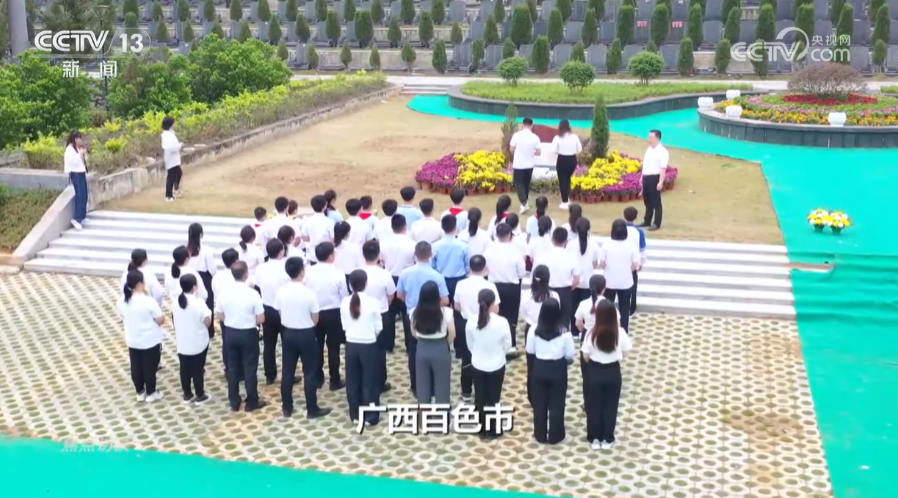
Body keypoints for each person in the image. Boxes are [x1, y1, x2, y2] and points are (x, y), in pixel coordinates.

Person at [274, 256, 332, 419]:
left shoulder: (281, 291)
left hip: (288, 333)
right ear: (301, 272)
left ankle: (287, 407)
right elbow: (315, 318)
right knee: (310, 372)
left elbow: (279, 312)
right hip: (306, 334)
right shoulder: (309, 293)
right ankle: (312, 408)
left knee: (287, 371)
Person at [396, 242, 449, 397]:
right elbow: (445, 300)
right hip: (434, 315)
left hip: (412, 316)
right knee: (435, 350)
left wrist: (412, 303)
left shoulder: (405, 273)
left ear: (415, 255)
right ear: (430, 254)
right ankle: (433, 385)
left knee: (413, 351)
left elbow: (400, 295)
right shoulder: (437, 275)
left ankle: (416, 386)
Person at [582, 299, 633, 450]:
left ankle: (594, 438)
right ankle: (607, 438)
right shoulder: (620, 333)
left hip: (594, 371)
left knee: (593, 405)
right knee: (610, 406)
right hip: (613, 371)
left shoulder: (591, 333)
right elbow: (626, 352)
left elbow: (585, 355)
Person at [216, 261, 266, 412]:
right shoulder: (253, 294)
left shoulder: (224, 292)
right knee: (250, 367)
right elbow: (261, 318)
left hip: (230, 332)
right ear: (246, 274)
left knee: (232, 368)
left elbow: (220, 315)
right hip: (248, 333)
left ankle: (234, 401)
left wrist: (232, 320)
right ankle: (251, 401)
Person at [526, 298, 575, 444]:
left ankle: (540, 435)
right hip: (558, 368)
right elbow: (570, 354)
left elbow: (530, 350)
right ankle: (556, 436)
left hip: (539, 367)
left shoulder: (533, 329)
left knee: (539, 404)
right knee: (557, 403)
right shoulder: (564, 331)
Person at [466, 288, 511, 439]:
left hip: (477, 364)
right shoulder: (502, 322)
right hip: (497, 365)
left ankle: (481, 428)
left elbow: (470, 344)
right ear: (493, 304)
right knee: (494, 398)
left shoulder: (471, 321)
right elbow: (507, 345)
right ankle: (493, 430)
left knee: (479, 397)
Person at [304, 242, 349, 391]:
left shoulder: (308, 272)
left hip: (314, 312)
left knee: (316, 346)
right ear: (330, 256)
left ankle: (318, 378)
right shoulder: (338, 273)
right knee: (333, 347)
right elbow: (344, 296)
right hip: (333, 313)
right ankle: (334, 380)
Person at [342, 269, 384, 426]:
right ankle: (371, 416)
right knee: (370, 381)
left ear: (350, 284)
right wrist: (370, 335)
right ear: (366, 284)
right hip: (369, 344)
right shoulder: (373, 302)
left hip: (351, 344)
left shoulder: (344, 302)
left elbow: (344, 325)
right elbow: (378, 327)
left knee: (352, 380)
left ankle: (355, 414)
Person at [454, 255, 498, 401]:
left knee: (467, 357)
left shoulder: (461, 284)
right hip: (486, 323)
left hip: (466, 324)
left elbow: (457, 306)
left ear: (470, 267)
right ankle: (484, 389)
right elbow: (495, 309)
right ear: (485, 268)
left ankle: (466, 390)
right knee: (485, 355)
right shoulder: (490, 286)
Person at [119, 270, 166, 402]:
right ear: (140, 283)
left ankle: (140, 391)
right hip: (149, 340)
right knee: (150, 367)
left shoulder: (122, 300)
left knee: (136, 366)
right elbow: (160, 319)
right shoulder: (148, 301)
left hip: (133, 338)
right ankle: (151, 392)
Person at [360, 240, 396, 393]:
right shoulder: (385, 274)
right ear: (378, 254)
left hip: (361, 313)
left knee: (364, 348)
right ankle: (380, 382)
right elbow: (390, 294)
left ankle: (365, 380)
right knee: (380, 350)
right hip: (381, 313)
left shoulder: (358, 272)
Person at [255, 239, 291, 385]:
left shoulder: (261, 268)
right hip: (284, 309)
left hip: (267, 308)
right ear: (281, 251)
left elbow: (257, 285)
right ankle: (288, 374)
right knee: (287, 344)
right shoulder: (286, 267)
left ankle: (270, 374)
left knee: (269, 344)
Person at [521, 264, 558, 405]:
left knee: (531, 365)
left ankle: (533, 397)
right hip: (551, 329)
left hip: (531, 329)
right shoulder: (554, 296)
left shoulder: (526, 296)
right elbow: (556, 312)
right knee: (550, 361)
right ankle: (549, 394)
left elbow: (524, 314)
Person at [172, 273, 212, 404]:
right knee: (197, 369)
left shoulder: (175, 302)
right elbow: (208, 322)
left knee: (184, 368)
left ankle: (187, 394)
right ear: (194, 287)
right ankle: (200, 394)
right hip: (198, 341)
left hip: (182, 341)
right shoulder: (199, 303)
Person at [413, 281, 455, 405]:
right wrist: (445, 344)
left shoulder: (415, 313)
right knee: (442, 385)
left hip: (422, 348)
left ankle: (424, 414)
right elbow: (452, 334)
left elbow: (414, 332)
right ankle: (442, 414)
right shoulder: (446, 312)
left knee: (422, 385)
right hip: (441, 348)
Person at [484, 223, 524, 353]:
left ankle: (494, 343)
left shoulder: (489, 251)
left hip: (493, 286)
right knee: (511, 317)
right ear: (510, 235)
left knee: (493, 315)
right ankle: (510, 345)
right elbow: (521, 273)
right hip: (512, 288)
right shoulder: (515, 251)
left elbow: (485, 269)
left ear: (496, 234)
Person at [380, 214, 416, 354]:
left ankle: (388, 345)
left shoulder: (384, 243)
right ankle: (409, 345)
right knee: (407, 313)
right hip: (406, 278)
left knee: (389, 314)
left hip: (390, 278)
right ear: (405, 227)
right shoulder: (411, 244)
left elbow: (382, 261)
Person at [599, 220, 641, 333]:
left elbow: (601, 263)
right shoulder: (631, 245)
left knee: (608, 308)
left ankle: (607, 330)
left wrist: (608, 268)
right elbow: (636, 264)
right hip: (626, 282)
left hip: (609, 282)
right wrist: (628, 270)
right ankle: (624, 331)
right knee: (624, 308)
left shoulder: (606, 244)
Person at [567, 217, 600, 337]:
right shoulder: (594, 245)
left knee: (573, 307)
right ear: (588, 229)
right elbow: (595, 264)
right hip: (588, 282)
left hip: (574, 281)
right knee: (586, 308)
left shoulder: (570, 245)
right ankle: (585, 332)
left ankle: (574, 332)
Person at [546, 227, 580, 333]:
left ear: (552, 239)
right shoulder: (571, 257)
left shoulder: (544, 256)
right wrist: (569, 289)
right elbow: (577, 279)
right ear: (566, 241)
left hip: (548, 290)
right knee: (564, 319)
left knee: (548, 317)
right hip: (565, 291)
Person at [211, 248, 239, 375]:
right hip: (236, 311)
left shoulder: (217, 277)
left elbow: (215, 293)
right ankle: (238, 368)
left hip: (223, 312)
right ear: (236, 260)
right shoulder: (237, 276)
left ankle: (228, 367)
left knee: (226, 339)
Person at [186, 223, 217, 338]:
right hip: (204, 278)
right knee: (207, 303)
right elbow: (212, 269)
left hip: (188, 277)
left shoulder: (186, 249)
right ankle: (209, 329)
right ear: (201, 234)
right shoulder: (206, 250)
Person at [509, 118, 542, 214]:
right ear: (532, 126)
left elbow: (511, 149)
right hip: (529, 165)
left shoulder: (516, 135)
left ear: (522, 124)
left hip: (519, 164)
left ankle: (524, 203)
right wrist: (531, 152)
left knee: (519, 183)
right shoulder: (535, 137)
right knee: (526, 184)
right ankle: (524, 202)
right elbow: (538, 152)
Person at [641, 129, 668, 231]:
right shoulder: (649, 149)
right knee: (647, 200)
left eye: (651, 138)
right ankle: (647, 220)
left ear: (657, 138)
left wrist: (660, 182)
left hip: (654, 178)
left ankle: (657, 223)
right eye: (649, 137)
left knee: (656, 202)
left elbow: (663, 168)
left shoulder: (663, 152)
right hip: (646, 177)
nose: (649, 140)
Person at [552, 119, 582, 209]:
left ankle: (565, 201)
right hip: (572, 160)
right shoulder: (574, 137)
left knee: (562, 181)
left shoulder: (557, 138)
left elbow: (554, 150)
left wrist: (561, 150)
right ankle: (567, 197)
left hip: (562, 159)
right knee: (567, 179)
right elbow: (579, 149)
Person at [624, 207, 647, 315]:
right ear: (636, 217)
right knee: (633, 285)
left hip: (622, 262)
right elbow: (642, 249)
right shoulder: (639, 232)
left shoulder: (620, 229)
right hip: (634, 263)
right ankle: (632, 307)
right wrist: (641, 262)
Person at [63, 130, 88, 231]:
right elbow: (73, 162)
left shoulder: (76, 148)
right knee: (80, 195)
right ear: (75, 139)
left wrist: (83, 154)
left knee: (84, 195)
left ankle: (82, 216)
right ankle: (76, 218)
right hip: (76, 174)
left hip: (81, 172)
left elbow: (82, 161)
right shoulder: (69, 150)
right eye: (79, 138)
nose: (81, 140)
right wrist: (80, 154)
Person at [302, 195, 336, 264]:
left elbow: (304, 237)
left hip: (312, 255)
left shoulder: (307, 220)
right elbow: (333, 238)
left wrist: (313, 239)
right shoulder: (329, 222)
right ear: (325, 206)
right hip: (326, 256)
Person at [162, 116, 184, 202]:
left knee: (179, 173)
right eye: (174, 123)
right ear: (170, 124)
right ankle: (168, 196)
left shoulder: (170, 133)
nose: (175, 124)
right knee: (171, 177)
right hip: (171, 159)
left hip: (174, 159)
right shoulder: (167, 135)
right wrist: (179, 145)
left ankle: (176, 190)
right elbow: (172, 147)